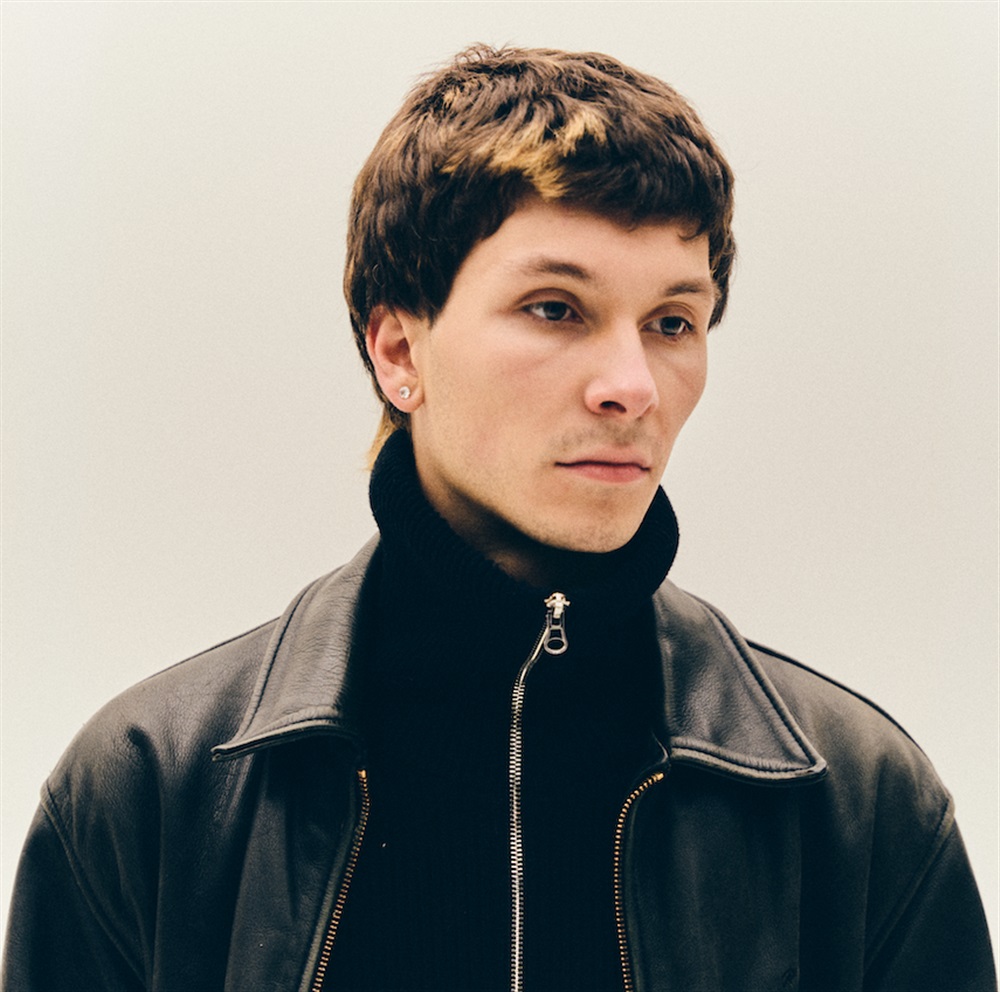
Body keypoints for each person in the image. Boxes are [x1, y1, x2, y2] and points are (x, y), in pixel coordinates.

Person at [2, 44, 994, 992]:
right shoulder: (147, 788)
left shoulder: (858, 801)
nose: (633, 385)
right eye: (556, 308)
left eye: (672, 322)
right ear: (399, 350)